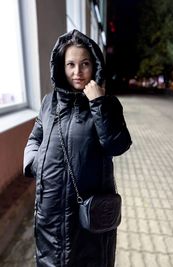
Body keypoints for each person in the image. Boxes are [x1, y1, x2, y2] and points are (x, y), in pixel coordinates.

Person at [23, 29, 132, 267]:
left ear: (94, 66)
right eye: (70, 64)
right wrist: (36, 164)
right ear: (60, 66)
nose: (77, 72)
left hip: (88, 213)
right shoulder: (48, 103)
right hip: (50, 211)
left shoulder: (107, 103)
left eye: (84, 64)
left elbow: (118, 145)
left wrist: (98, 103)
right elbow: (34, 139)